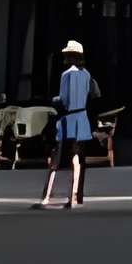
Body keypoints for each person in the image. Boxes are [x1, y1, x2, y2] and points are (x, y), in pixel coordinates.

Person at [40, 40, 95, 210]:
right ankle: (74, 196)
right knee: (77, 158)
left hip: (68, 119)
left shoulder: (66, 75)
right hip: (82, 117)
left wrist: (53, 100)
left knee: (55, 158)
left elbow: (63, 100)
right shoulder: (86, 74)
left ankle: (47, 196)